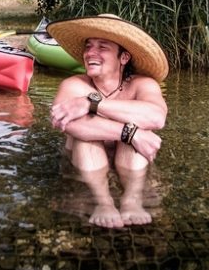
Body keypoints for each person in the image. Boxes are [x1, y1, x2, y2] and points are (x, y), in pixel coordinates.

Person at [47, 14, 169, 228]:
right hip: (84, 167)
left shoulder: (142, 84)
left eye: (102, 47)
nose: (90, 53)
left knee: (131, 135)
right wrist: (132, 133)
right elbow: (68, 123)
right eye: (88, 46)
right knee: (88, 138)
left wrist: (92, 104)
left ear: (124, 58)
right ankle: (103, 203)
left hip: (131, 165)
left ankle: (132, 199)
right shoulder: (73, 85)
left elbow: (157, 117)